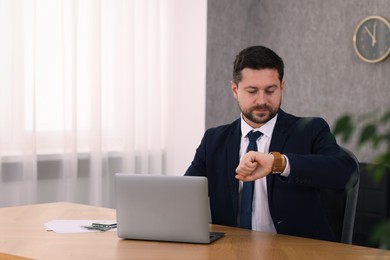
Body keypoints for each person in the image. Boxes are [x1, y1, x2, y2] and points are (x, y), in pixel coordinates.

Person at [184, 45, 358, 242]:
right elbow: (185, 196)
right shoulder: (214, 140)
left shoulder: (310, 130)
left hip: (297, 252)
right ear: (235, 89)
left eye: (270, 90)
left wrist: (280, 163)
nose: (261, 100)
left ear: (281, 87)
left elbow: (347, 173)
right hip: (231, 250)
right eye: (252, 91)